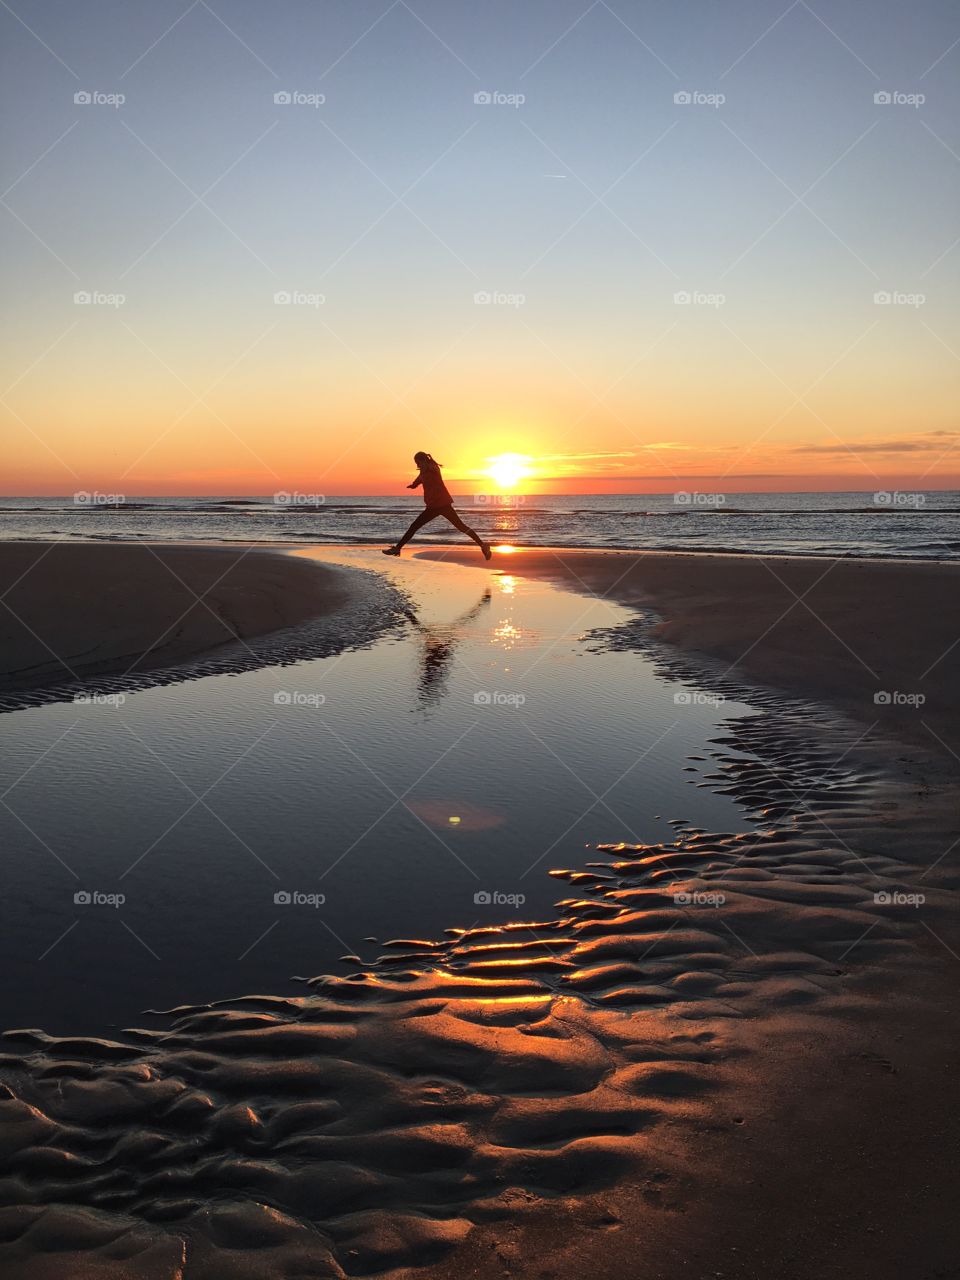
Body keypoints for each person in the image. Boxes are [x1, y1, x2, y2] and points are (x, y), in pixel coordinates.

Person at [383, 451, 491, 559]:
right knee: (414, 526)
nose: (417, 465)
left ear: (423, 460)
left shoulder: (433, 468)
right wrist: (413, 485)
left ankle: (483, 545)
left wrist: (427, 464)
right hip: (432, 507)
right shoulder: (423, 473)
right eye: (416, 463)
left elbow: (431, 468)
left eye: (418, 462)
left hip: (444, 505)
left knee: (461, 527)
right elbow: (417, 481)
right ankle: (397, 548)